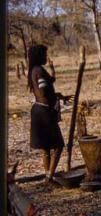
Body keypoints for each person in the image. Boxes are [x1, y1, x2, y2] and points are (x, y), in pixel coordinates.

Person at [27, 44, 73, 185]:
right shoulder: (38, 71)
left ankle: (48, 177)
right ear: (38, 56)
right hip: (44, 113)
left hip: (39, 110)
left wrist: (58, 94)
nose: (46, 57)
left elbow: (50, 83)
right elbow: (43, 93)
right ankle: (49, 178)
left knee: (46, 148)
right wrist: (53, 103)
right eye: (44, 55)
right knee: (58, 146)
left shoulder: (35, 70)